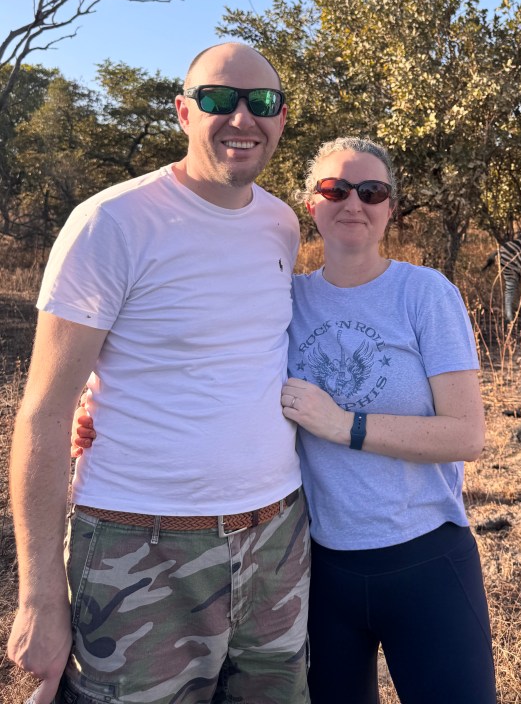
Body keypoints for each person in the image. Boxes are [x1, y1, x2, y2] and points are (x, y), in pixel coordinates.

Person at [7, 42, 310, 704]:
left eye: (261, 102)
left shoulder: (280, 224)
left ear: (281, 118)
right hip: (138, 546)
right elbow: (46, 411)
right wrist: (39, 594)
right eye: (216, 99)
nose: (241, 118)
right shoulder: (111, 223)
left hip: (276, 537)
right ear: (182, 111)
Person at [281, 136, 496, 704]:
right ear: (312, 205)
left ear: (390, 207)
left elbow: (466, 434)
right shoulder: (285, 300)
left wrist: (343, 424)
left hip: (426, 559)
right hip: (321, 570)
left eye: (371, 191)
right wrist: (99, 406)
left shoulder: (424, 292)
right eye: (335, 189)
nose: (354, 202)